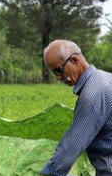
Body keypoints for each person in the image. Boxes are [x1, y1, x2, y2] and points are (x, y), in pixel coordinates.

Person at [40, 39, 112, 176]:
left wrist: (47, 173)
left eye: (58, 71)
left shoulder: (93, 94)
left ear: (74, 60)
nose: (58, 78)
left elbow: (71, 147)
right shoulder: (105, 79)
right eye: (54, 73)